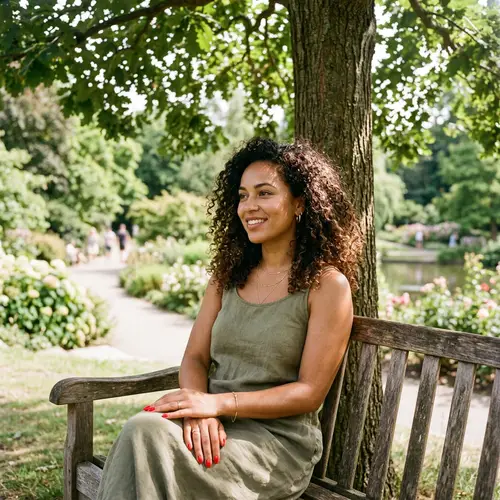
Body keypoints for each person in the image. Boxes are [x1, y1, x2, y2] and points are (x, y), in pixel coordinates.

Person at [97, 138, 363, 500]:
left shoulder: (327, 286)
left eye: (265, 193)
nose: (249, 206)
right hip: (211, 425)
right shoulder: (228, 276)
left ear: (300, 203)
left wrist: (217, 404)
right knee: (144, 431)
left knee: (147, 436)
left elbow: (309, 393)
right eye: (242, 195)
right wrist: (198, 409)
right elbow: (195, 358)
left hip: (274, 446)